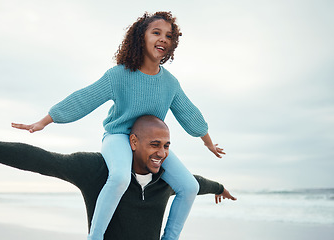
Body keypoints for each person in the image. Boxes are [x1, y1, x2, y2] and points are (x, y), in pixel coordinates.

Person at [12, 11, 225, 240]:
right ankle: (95, 237)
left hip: (150, 144)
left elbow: (189, 114)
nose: (163, 38)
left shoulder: (170, 83)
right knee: (120, 178)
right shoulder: (119, 75)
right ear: (140, 37)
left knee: (189, 186)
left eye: (169, 36)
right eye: (156, 33)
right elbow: (84, 99)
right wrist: (45, 121)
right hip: (118, 136)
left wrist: (208, 143)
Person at [0, 115, 236, 240]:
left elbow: (200, 184)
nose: (162, 153)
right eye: (155, 145)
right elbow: (37, 159)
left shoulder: (168, 178)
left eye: (167, 146)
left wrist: (220, 188)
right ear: (133, 143)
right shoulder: (96, 169)